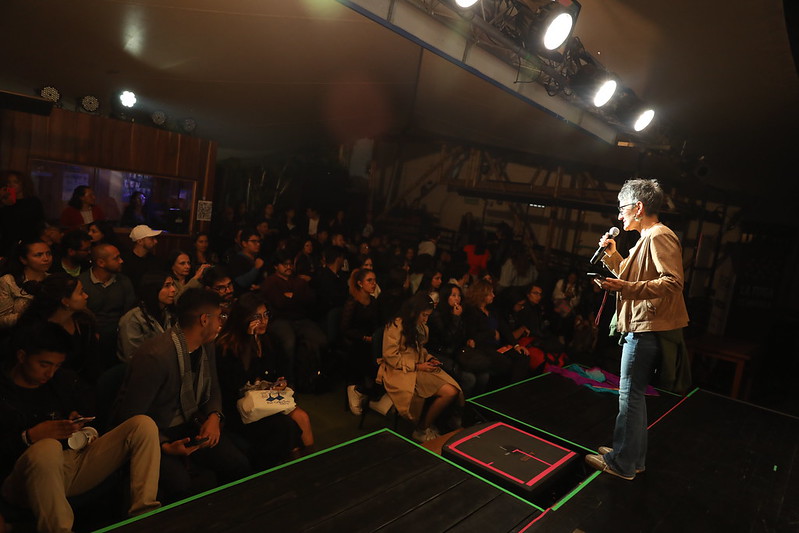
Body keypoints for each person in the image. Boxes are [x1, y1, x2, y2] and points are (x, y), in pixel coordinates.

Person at [0, 321, 160, 533]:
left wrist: (81, 426)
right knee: (47, 447)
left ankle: (144, 514)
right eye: (44, 365)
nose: (50, 373)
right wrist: (29, 437)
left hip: (70, 462)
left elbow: (91, 418)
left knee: (142, 425)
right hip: (24, 477)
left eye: (57, 366)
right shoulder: (5, 393)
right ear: (22, 356)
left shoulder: (61, 381)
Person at [585, 178, 690, 481]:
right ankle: (632, 458)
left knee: (629, 396)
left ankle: (622, 463)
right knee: (634, 396)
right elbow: (630, 274)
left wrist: (626, 288)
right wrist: (611, 254)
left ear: (639, 207)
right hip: (643, 326)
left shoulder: (659, 235)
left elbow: (673, 282)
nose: (620, 215)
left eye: (623, 208)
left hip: (646, 330)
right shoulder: (647, 237)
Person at [113, 289, 251, 502]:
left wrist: (214, 416)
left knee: (238, 464)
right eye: (220, 317)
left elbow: (213, 386)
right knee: (182, 486)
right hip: (158, 432)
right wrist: (164, 445)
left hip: (191, 422)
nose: (221, 323)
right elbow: (131, 417)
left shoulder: (206, 345)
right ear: (204, 320)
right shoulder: (156, 356)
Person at [215, 293, 313, 468]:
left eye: (266, 315)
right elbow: (234, 384)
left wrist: (282, 382)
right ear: (243, 318)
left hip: (268, 399)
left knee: (302, 417)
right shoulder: (227, 346)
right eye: (256, 317)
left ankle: (311, 464)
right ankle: (287, 467)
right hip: (242, 408)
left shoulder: (270, 339)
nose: (263, 321)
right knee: (286, 427)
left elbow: (284, 371)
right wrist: (249, 341)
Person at [378, 293, 463, 442]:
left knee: (453, 389)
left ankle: (427, 424)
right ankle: (422, 429)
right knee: (450, 392)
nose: (425, 319)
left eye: (428, 316)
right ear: (414, 311)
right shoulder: (396, 325)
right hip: (400, 371)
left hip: (418, 366)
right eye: (424, 315)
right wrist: (417, 366)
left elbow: (420, 349)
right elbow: (390, 357)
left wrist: (429, 358)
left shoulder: (419, 325)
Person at [260, 250, 327, 390]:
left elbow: (311, 299)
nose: (289, 267)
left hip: (300, 319)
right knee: (288, 343)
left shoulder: (298, 281)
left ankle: (313, 379)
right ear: (276, 266)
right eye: (285, 264)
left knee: (321, 340)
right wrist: (297, 298)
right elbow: (279, 302)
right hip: (279, 319)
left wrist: (292, 296)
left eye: (290, 264)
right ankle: (289, 381)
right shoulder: (270, 282)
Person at [19, 273, 101, 383]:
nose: (86, 296)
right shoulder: (36, 329)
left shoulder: (84, 322)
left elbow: (92, 364)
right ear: (65, 301)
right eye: (80, 293)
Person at [78, 244, 136, 369]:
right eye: (116, 258)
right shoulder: (82, 282)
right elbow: (80, 314)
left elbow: (129, 312)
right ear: (101, 262)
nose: (121, 261)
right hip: (91, 334)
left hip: (118, 334)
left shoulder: (124, 281)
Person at [341, 268, 382, 415]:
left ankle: (372, 391)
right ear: (360, 283)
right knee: (362, 350)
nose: (373, 283)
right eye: (369, 280)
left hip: (370, 339)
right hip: (354, 339)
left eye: (374, 280)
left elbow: (376, 324)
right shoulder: (353, 302)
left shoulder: (373, 301)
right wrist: (364, 337)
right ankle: (356, 389)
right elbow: (345, 329)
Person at [117, 272, 177, 363]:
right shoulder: (132, 318)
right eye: (167, 286)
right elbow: (133, 357)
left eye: (172, 285)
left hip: (165, 363)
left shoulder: (168, 312)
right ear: (153, 289)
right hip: (144, 367)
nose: (173, 289)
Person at [0, 240, 52, 329]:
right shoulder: (8, 281)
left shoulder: (53, 280)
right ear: (23, 260)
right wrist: (28, 315)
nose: (46, 258)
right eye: (38, 255)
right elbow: (1, 319)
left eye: (48, 254)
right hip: (18, 333)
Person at [0, 170, 45, 256]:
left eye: (15, 182)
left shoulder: (33, 202)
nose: (11, 185)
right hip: (7, 244)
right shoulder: (4, 203)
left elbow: (35, 223)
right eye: (9, 182)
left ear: (23, 184)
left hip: (27, 244)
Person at [123, 225, 163, 291]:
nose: (156, 241)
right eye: (151, 238)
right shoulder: (126, 261)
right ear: (140, 241)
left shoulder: (155, 260)